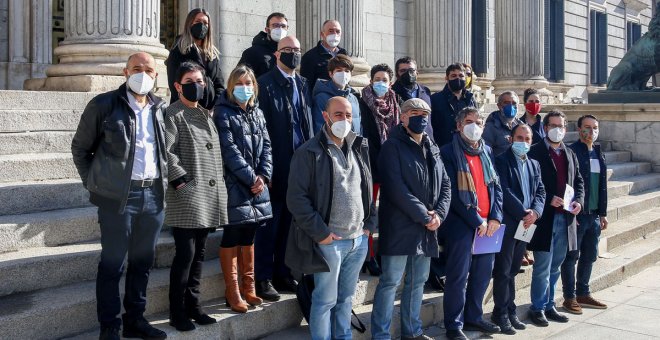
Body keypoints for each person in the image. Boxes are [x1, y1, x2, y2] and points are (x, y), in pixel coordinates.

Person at [71, 52, 168, 340]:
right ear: (125, 73)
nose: (142, 73)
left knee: (142, 262)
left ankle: (135, 319)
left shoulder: (160, 108)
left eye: (148, 69)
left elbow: (163, 150)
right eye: (136, 68)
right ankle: (110, 325)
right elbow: (80, 149)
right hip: (117, 199)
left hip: (153, 196)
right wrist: (96, 184)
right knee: (113, 263)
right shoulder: (104, 105)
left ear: (156, 75)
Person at [285, 96, 377, 340]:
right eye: (338, 114)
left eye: (348, 115)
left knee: (346, 299)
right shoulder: (308, 152)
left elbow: (367, 188)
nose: (344, 120)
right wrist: (322, 233)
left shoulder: (360, 147)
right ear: (325, 116)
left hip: (357, 240)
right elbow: (296, 199)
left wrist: (369, 224)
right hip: (330, 242)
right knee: (325, 300)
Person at [370, 99, 451, 340]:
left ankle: (412, 331)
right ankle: (381, 335)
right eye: (415, 113)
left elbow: (445, 183)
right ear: (403, 117)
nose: (421, 118)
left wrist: (439, 213)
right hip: (399, 226)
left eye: (425, 113)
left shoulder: (432, 146)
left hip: (427, 227)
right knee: (390, 282)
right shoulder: (392, 146)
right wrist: (425, 215)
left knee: (418, 282)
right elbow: (396, 188)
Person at [164, 62, 228, 331]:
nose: (197, 85)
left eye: (200, 80)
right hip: (187, 197)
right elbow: (166, 152)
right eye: (190, 80)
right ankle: (177, 311)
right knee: (185, 255)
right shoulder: (172, 114)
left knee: (200, 254)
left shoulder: (205, 113)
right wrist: (183, 181)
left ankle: (194, 305)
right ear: (178, 86)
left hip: (208, 196)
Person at [255, 35, 314, 301]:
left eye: (297, 50)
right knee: (271, 224)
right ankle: (263, 277)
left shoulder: (302, 83)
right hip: (276, 165)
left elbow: (307, 124)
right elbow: (260, 130)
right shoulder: (265, 84)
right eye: (288, 50)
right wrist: (263, 168)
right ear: (277, 54)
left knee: (291, 223)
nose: (294, 54)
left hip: (300, 166)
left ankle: (283, 272)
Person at [439, 107, 503, 340]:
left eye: (478, 122)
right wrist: (476, 221)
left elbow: (496, 186)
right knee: (458, 276)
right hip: (462, 225)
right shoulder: (447, 152)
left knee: (483, 274)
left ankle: (474, 317)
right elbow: (452, 192)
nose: (474, 126)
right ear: (458, 125)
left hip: (489, 225)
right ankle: (454, 326)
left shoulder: (486, 150)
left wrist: (495, 216)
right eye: (468, 121)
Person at [214, 65, 274, 313]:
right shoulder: (223, 112)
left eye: (248, 82)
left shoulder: (257, 112)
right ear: (230, 86)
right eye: (239, 83)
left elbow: (267, 147)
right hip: (234, 184)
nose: (244, 87)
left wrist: (264, 174)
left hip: (256, 184)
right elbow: (230, 151)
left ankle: (249, 287)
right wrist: (251, 178)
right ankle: (233, 290)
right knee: (232, 234)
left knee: (250, 234)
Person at [527, 110, 584, 327]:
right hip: (545, 218)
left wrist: (578, 201)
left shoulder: (569, 153)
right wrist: (548, 199)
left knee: (556, 265)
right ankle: (538, 307)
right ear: (545, 128)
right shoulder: (535, 152)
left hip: (566, 219)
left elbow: (578, 181)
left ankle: (549, 304)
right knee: (542, 265)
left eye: (560, 125)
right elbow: (531, 184)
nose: (557, 129)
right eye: (552, 125)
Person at [491, 124, 546, 335]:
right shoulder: (501, 160)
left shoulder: (534, 164)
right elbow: (503, 190)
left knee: (514, 269)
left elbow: (540, 190)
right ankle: (500, 312)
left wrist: (536, 213)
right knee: (503, 271)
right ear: (511, 139)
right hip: (510, 222)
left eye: (527, 138)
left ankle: (510, 309)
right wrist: (524, 213)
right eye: (519, 137)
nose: (523, 142)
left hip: (527, 224)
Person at [561, 114, 609, 314]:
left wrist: (603, 213)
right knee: (572, 256)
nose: (591, 131)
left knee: (589, 256)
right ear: (579, 129)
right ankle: (569, 297)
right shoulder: (571, 151)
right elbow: (567, 185)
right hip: (577, 215)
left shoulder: (598, 152)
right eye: (587, 127)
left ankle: (583, 292)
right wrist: (570, 213)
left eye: (595, 127)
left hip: (594, 214)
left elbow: (602, 185)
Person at [360, 63, 401, 276]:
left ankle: (386, 251)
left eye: (384, 80)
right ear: (370, 80)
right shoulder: (362, 102)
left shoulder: (396, 103)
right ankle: (369, 256)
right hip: (370, 164)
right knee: (369, 212)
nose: (380, 84)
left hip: (391, 166)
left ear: (391, 83)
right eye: (377, 79)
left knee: (389, 212)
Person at [165, 8, 224, 110]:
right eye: (198, 21)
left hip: (210, 112)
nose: (202, 25)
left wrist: (214, 108)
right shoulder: (179, 50)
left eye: (205, 23)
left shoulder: (212, 54)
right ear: (189, 23)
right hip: (184, 110)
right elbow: (174, 85)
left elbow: (219, 86)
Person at [312, 54, 361, 135]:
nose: (343, 74)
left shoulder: (353, 98)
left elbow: (359, 126)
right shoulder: (321, 98)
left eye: (347, 71)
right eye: (339, 70)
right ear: (331, 74)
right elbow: (319, 127)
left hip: (352, 145)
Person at [430, 63, 477, 147]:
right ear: (447, 78)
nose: (458, 78)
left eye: (461, 76)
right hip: (443, 148)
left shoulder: (470, 99)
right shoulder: (435, 99)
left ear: (465, 78)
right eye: (454, 76)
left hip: (466, 147)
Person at [391, 56, 434, 140]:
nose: (408, 74)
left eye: (411, 70)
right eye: (403, 71)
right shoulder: (391, 93)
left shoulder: (426, 91)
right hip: (403, 141)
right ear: (397, 75)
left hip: (426, 141)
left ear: (417, 73)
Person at [238, 12, 289, 78]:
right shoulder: (252, 53)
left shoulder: (289, 52)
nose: (280, 29)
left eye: (283, 26)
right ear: (267, 30)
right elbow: (238, 78)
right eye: (275, 25)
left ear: (287, 29)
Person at [300, 19, 348, 88]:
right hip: (321, 97)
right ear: (322, 34)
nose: (335, 34)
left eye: (338, 31)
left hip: (342, 96)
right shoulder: (310, 57)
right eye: (331, 31)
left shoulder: (344, 54)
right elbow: (306, 86)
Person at [483, 91, 524, 156]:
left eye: (514, 103)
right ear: (499, 106)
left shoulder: (521, 126)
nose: (510, 106)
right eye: (506, 103)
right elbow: (486, 152)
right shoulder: (490, 127)